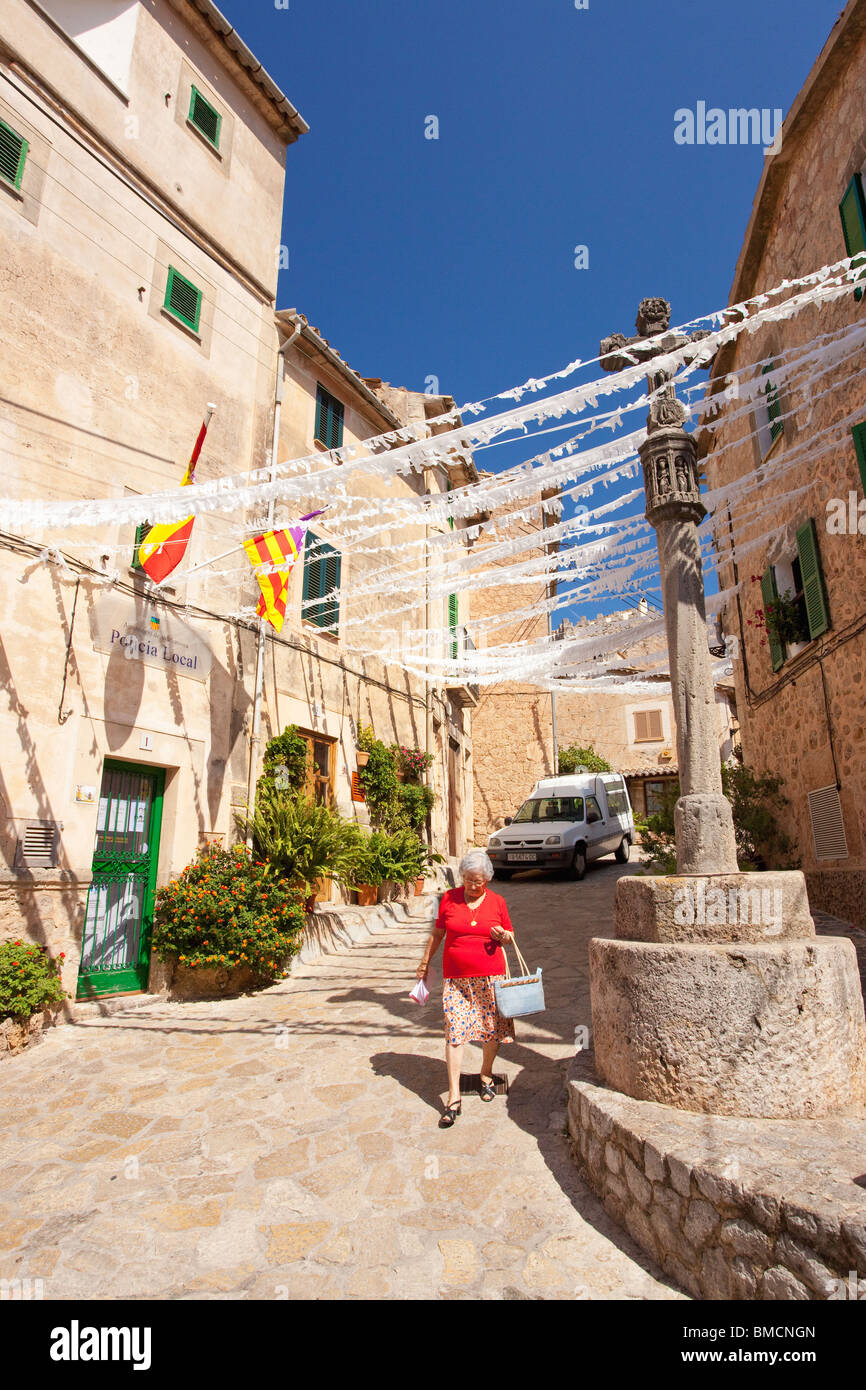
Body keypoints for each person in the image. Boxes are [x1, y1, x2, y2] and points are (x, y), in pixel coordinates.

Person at [416, 848, 515, 1128]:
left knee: (491, 1029)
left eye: (479, 881)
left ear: (488, 880)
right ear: (462, 877)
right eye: (469, 880)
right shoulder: (448, 899)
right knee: (454, 1032)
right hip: (456, 980)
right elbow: (437, 933)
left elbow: (510, 935)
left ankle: (485, 1074)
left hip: (489, 977)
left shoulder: (497, 902)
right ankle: (454, 1097)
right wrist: (425, 962)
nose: (473, 886)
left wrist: (504, 936)